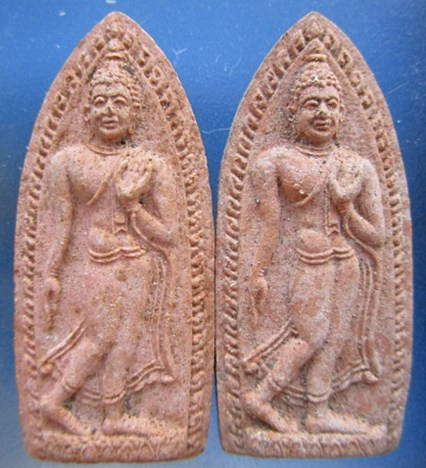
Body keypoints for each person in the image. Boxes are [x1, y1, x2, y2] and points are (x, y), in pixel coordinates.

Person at [243, 48, 385, 434]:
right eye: (312, 104)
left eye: (330, 104)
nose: (322, 112)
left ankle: (317, 412)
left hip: (347, 262)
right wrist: (257, 273)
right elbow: (268, 225)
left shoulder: (358, 167)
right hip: (308, 261)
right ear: (292, 112)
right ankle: (259, 397)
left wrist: (346, 208)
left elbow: (377, 237)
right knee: (311, 335)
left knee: (335, 339)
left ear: (342, 114)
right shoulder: (274, 162)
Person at [39, 54, 177, 436]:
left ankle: (113, 417)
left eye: (119, 102)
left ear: (135, 113)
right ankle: (53, 401)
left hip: (139, 266)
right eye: (100, 102)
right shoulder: (68, 162)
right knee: (100, 339)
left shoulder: (150, 165)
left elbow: (169, 234)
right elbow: (60, 225)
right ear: (86, 112)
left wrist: (133, 204)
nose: (109, 111)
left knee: (128, 341)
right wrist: (50, 272)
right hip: (95, 265)